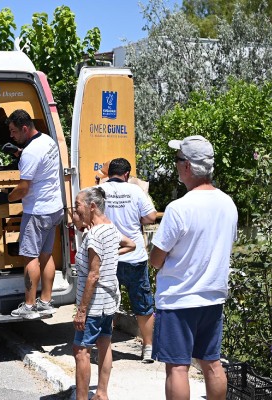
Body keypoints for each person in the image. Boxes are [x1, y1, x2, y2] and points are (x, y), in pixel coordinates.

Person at [149, 135, 238, 400]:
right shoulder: (228, 203)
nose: (175, 165)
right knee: (212, 363)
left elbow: (156, 259)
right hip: (212, 296)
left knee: (177, 367)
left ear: (187, 166)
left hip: (179, 299)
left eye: (177, 160)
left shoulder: (179, 208)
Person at [72, 187, 135, 400]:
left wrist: (82, 311)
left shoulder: (96, 235)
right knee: (105, 343)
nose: (75, 209)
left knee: (81, 351)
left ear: (92, 206)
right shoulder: (110, 228)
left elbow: (93, 275)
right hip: (109, 301)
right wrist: (111, 254)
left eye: (77, 205)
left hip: (94, 304)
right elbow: (131, 244)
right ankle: (101, 394)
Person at [3, 109, 64, 319]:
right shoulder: (47, 141)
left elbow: (23, 188)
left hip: (37, 211)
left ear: (25, 128)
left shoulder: (30, 152)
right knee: (46, 256)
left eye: (13, 131)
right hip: (54, 208)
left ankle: (28, 306)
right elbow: (41, 165)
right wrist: (19, 153)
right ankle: (46, 301)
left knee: (30, 257)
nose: (11, 135)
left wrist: (7, 198)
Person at [98, 157, 158, 362]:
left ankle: (103, 350)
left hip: (108, 255)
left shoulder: (99, 191)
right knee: (142, 303)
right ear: (127, 175)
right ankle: (148, 347)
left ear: (109, 173)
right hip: (134, 257)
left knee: (106, 303)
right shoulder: (136, 191)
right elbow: (150, 217)